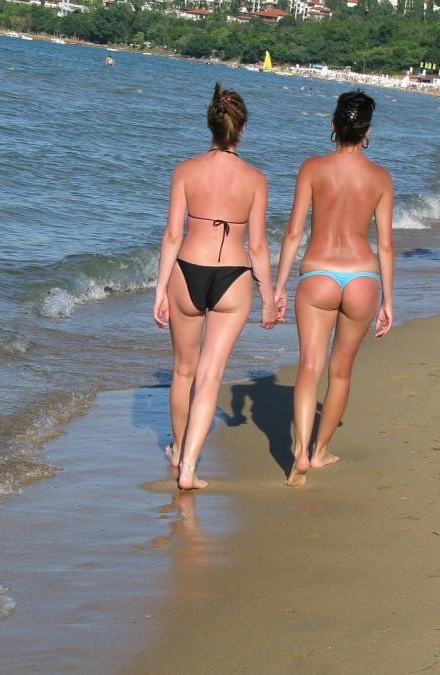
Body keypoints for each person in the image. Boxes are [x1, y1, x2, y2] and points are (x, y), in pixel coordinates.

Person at [153, 83, 277, 490]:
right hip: (233, 278)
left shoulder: (185, 171)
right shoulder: (256, 180)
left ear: (210, 124)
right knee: (209, 376)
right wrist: (269, 296)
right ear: (243, 129)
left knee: (183, 371)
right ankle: (189, 468)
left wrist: (160, 289)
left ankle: (177, 451)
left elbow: (173, 235)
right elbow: (258, 246)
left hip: (187, 272)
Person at [274, 91, 395, 487]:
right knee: (340, 373)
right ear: (368, 131)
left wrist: (279, 285)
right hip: (363, 278)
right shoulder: (381, 178)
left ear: (333, 125)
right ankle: (320, 451)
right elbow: (386, 245)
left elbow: (294, 233)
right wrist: (389, 300)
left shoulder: (312, 168)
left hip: (318, 275)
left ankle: (299, 452)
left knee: (310, 367)